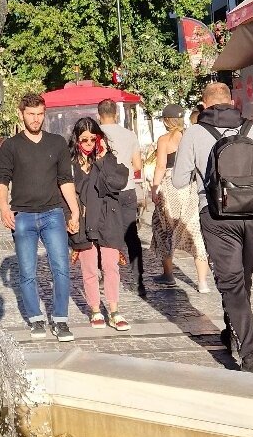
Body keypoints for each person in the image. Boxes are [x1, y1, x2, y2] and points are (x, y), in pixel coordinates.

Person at [172, 82, 253, 373]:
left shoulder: (194, 132)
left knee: (233, 285)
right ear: (231, 102)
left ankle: (252, 356)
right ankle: (238, 336)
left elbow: (179, 181)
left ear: (204, 105)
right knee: (241, 281)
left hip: (217, 216)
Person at [0, 93, 80, 342]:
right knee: (27, 271)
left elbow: (65, 180)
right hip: (23, 216)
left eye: (40, 114)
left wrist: (73, 210)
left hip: (53, 213)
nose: (36, 119)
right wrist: (3, 208)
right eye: (31, 114)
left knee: (61, 268)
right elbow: (1, 181)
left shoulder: (57, 143)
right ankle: (35, 318)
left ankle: (61, 319)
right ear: (21, 115)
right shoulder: (11, 146)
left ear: (44, 114)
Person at [69, 117, 131, 331]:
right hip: (83, 220)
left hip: (108, 219)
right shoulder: (70, 164)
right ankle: (95, 309)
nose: (88, 143)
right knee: (89, 269)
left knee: (110, 266)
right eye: (83, 139)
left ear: (99, 139)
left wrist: (103, 159)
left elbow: (117, 184)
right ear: (76, 140)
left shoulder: (108, 159)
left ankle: (114, 310)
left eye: (92, 139)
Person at [150, 104, 212, 294]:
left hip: (171, 188)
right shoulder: (191, 136)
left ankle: (168, 275)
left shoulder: (164, 140)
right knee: (195, 231)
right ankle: (202, 282)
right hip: (191, 187)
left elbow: (161, 166)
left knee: (163, 228)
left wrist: (154, 189)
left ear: (166, 121)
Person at [97, 99, 145, 295]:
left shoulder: (96, 135)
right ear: (116, 114)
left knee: (104, 235)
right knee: (131, 236)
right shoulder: (129, 134)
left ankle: (105, 277)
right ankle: (138, 281)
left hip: (105, 192)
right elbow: (138, 165)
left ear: (98, 114)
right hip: (127, 190)